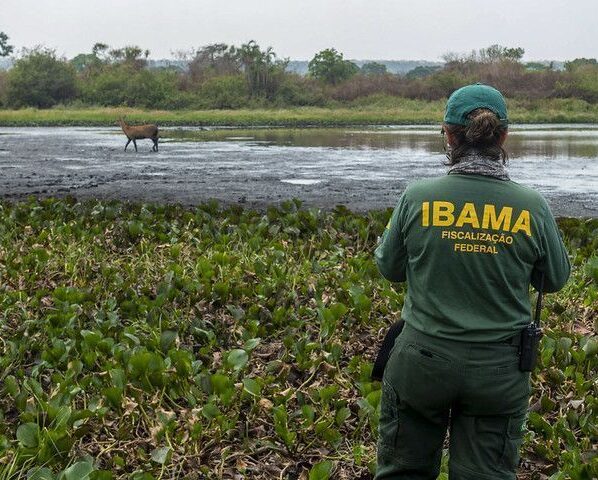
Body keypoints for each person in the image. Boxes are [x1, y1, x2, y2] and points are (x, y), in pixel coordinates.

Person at [373, 83, 570, 480]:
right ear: (503, 137)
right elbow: (556, 279)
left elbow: (389, 269)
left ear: (448, 135)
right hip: (499, 370)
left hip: (421, 362)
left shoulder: (417, 197)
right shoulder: (531, 206)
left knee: (403, 472)